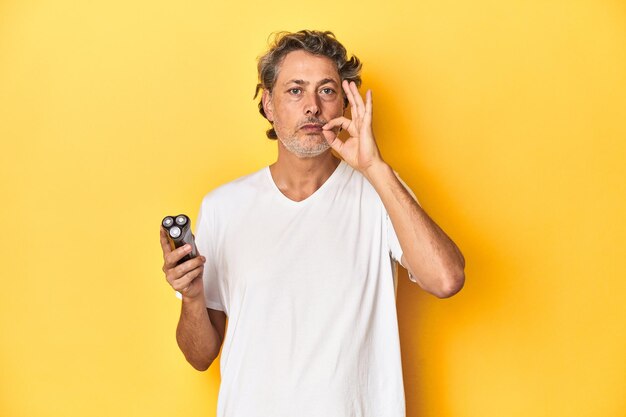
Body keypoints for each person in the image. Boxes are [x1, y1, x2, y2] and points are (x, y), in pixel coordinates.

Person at [160, 30, 465, 417]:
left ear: (345, 103)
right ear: (268, 104)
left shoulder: (380, 191)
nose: (312, 107)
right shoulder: (224, 206)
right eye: (295, 91)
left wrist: (375, 168)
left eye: (326, 91)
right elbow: (200, 356)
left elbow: (446, 280)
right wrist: (191, 297)